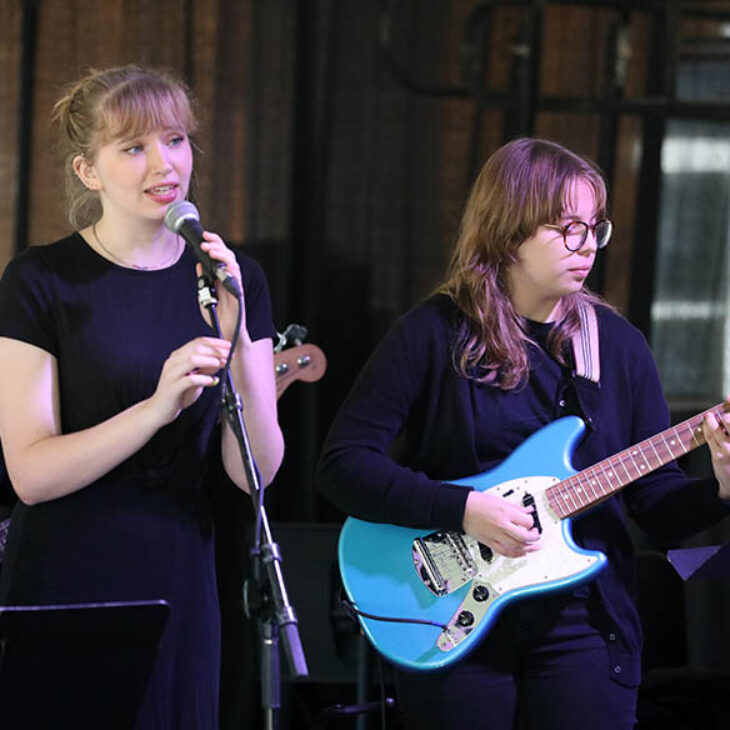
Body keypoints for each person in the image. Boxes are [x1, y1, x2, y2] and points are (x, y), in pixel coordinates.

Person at [317, 137, 730, 730]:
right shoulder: (432, 335)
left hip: (584, 626)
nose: (586, 245)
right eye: (566, 228)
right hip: (455, 623)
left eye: (594, 228)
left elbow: (656, 509)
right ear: (509, 232)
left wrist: (718, 488)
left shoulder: (618, 348)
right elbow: (342, 465)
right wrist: (462, 509)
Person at [0, 65, 284, 729]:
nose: (165, 163)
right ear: (87, 171)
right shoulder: (41, 280)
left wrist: (241, 337)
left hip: (178, 569)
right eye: (133, 148)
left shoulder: (231, 276)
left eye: (176, 140)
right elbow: (32, 474)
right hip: (65, 572)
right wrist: (158, 407)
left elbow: (257, 474)